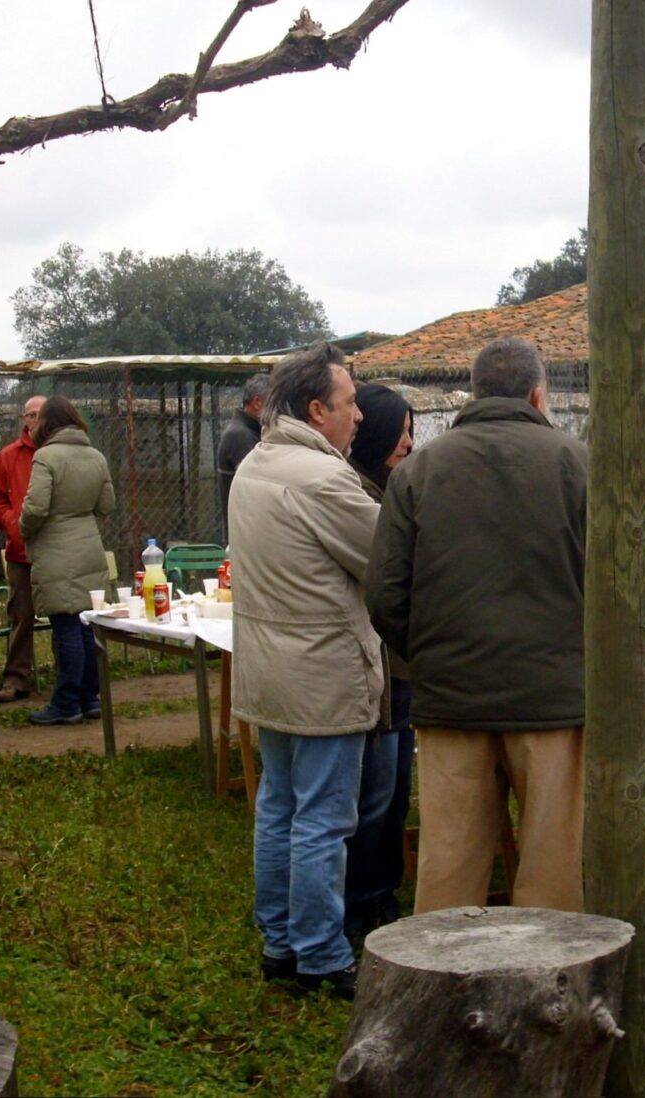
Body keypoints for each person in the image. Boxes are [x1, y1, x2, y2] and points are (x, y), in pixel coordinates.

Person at [368, 337, 589, 916]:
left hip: (451, 696)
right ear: (538, 393)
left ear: (474, 392)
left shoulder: (417, 471)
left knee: (449, 864)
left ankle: (444, 991)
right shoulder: (578, 465)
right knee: (552, 864)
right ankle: (548, 991)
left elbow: (385, 593)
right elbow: (615, 587)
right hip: (553, 701)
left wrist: (429, 657)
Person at [233, 343, 382, 998]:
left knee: (281, 807)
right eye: (350, 404)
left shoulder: (257, 463)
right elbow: (387, 557)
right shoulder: (321, 479)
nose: (359, 417)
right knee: (322, 817)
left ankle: (281, 943)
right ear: (317, 410)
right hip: (321, 669)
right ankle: (321, 953)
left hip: (270, 666)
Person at [342, 382, 416, 940]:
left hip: (402, 669)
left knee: (393, 794)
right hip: (379, 669)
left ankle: (382, 891)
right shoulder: (361, 496)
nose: (410, 443)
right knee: (376, 795)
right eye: (402, 431)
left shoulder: (395, 489)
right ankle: (362, 901)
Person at [18, 396, 114, 727]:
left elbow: (35, 508)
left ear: (48, 423)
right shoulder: (96, 456)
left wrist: (23, 529)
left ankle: (66, 702)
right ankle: (90, 698)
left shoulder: (45, 457)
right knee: (86, 625)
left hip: (56, 550)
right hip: (89, 545)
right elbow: (106, 505)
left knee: (66, 626)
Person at [0, 395, 45, 704]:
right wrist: (10, 522)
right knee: (20, 615)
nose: (33, 420)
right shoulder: (8, 456)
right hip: (20, 552)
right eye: (29, 415)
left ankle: (73, 676)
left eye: (39, 414)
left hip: (55, 550)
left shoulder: (59, 453)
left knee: (67, 615)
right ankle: (16, 678)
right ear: (23, 420)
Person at [217, 373, 269, 543]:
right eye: (274, 403)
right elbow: (257, 488)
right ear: (257, 402)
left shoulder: (250, 431)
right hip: (245, 535)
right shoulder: (241, 436)